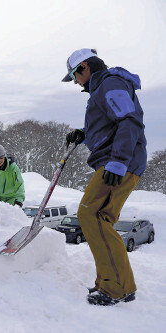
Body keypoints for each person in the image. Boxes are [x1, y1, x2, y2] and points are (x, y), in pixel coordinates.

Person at [63, 48, 146, 306]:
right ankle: (119, 285)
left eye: (74, 76)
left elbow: (129, 120)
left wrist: (118, 162)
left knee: (89, 214)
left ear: (84, 67)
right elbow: (107, 124)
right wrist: (83, 133)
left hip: (119, 162)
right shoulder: (101, 88)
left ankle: (114, 288)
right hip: (117, 160)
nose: (76, 82)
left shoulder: (109, 83)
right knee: (101, 219)